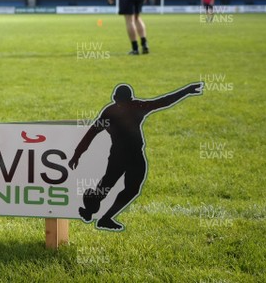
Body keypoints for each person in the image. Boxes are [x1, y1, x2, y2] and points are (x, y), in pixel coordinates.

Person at [68, 82, 203, 231]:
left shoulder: (115, 110)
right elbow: (164, 101)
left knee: (116, 186)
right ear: (130, 98)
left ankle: (100, 213)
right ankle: (95, 209)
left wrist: (77, 154)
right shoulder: (135, 107)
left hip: (123, 156)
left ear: (115, 98)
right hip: (128, 155)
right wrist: (187, 91)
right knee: (117, 187)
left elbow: (91, 134)